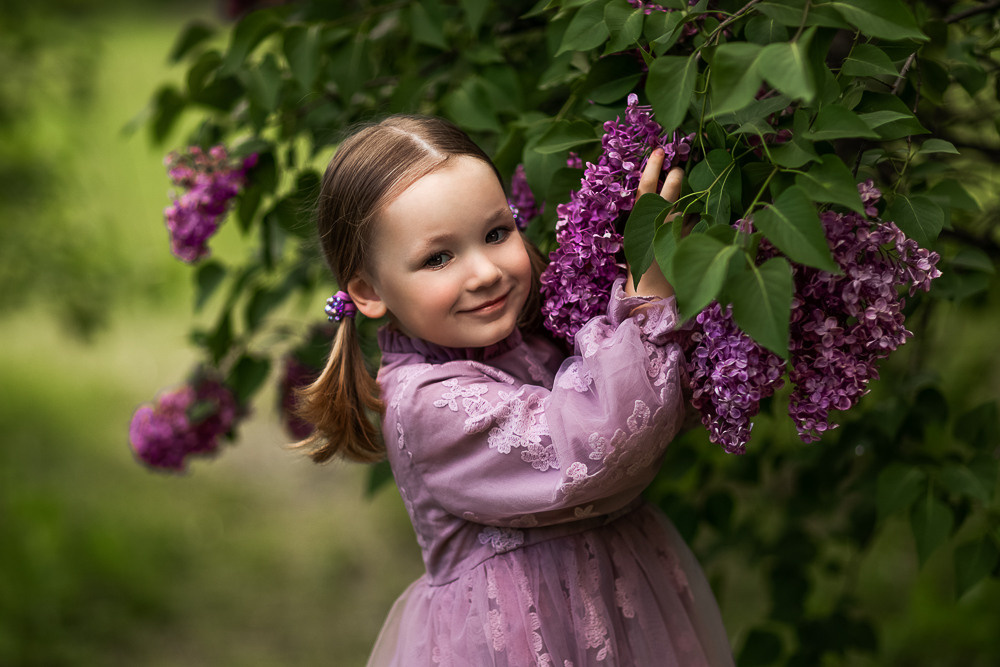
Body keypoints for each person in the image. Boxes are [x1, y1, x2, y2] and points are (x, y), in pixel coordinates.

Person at [297, 115, 734, 666]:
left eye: (496, 233)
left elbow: (667, 404)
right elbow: (603, 445)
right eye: (438, 257)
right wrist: (647, 304)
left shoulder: (537, 329)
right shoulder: (426, 405)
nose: (484, 272)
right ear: (368, 291)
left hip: (629, 606)